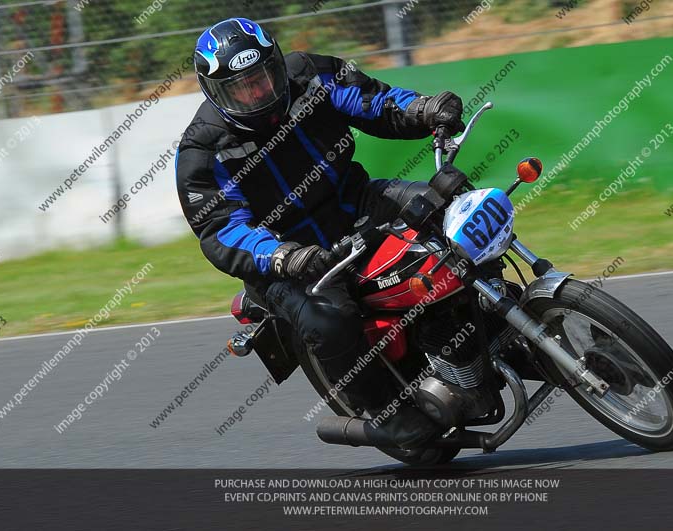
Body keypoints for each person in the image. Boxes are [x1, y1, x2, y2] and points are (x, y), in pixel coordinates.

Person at [175, 18, 465, 449]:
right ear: (216, 93)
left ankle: (507, 312)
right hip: (286, 253)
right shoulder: (202, 152)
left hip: (353, 201)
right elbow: (221, 229)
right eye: (242, 88)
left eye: (263, 77)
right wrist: (282, 256)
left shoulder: (310, 75)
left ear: (276, 63)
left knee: (454, 207)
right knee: (329, 322)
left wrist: (421, 109)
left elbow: (374, 101)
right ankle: (389, 414)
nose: (259, 93)